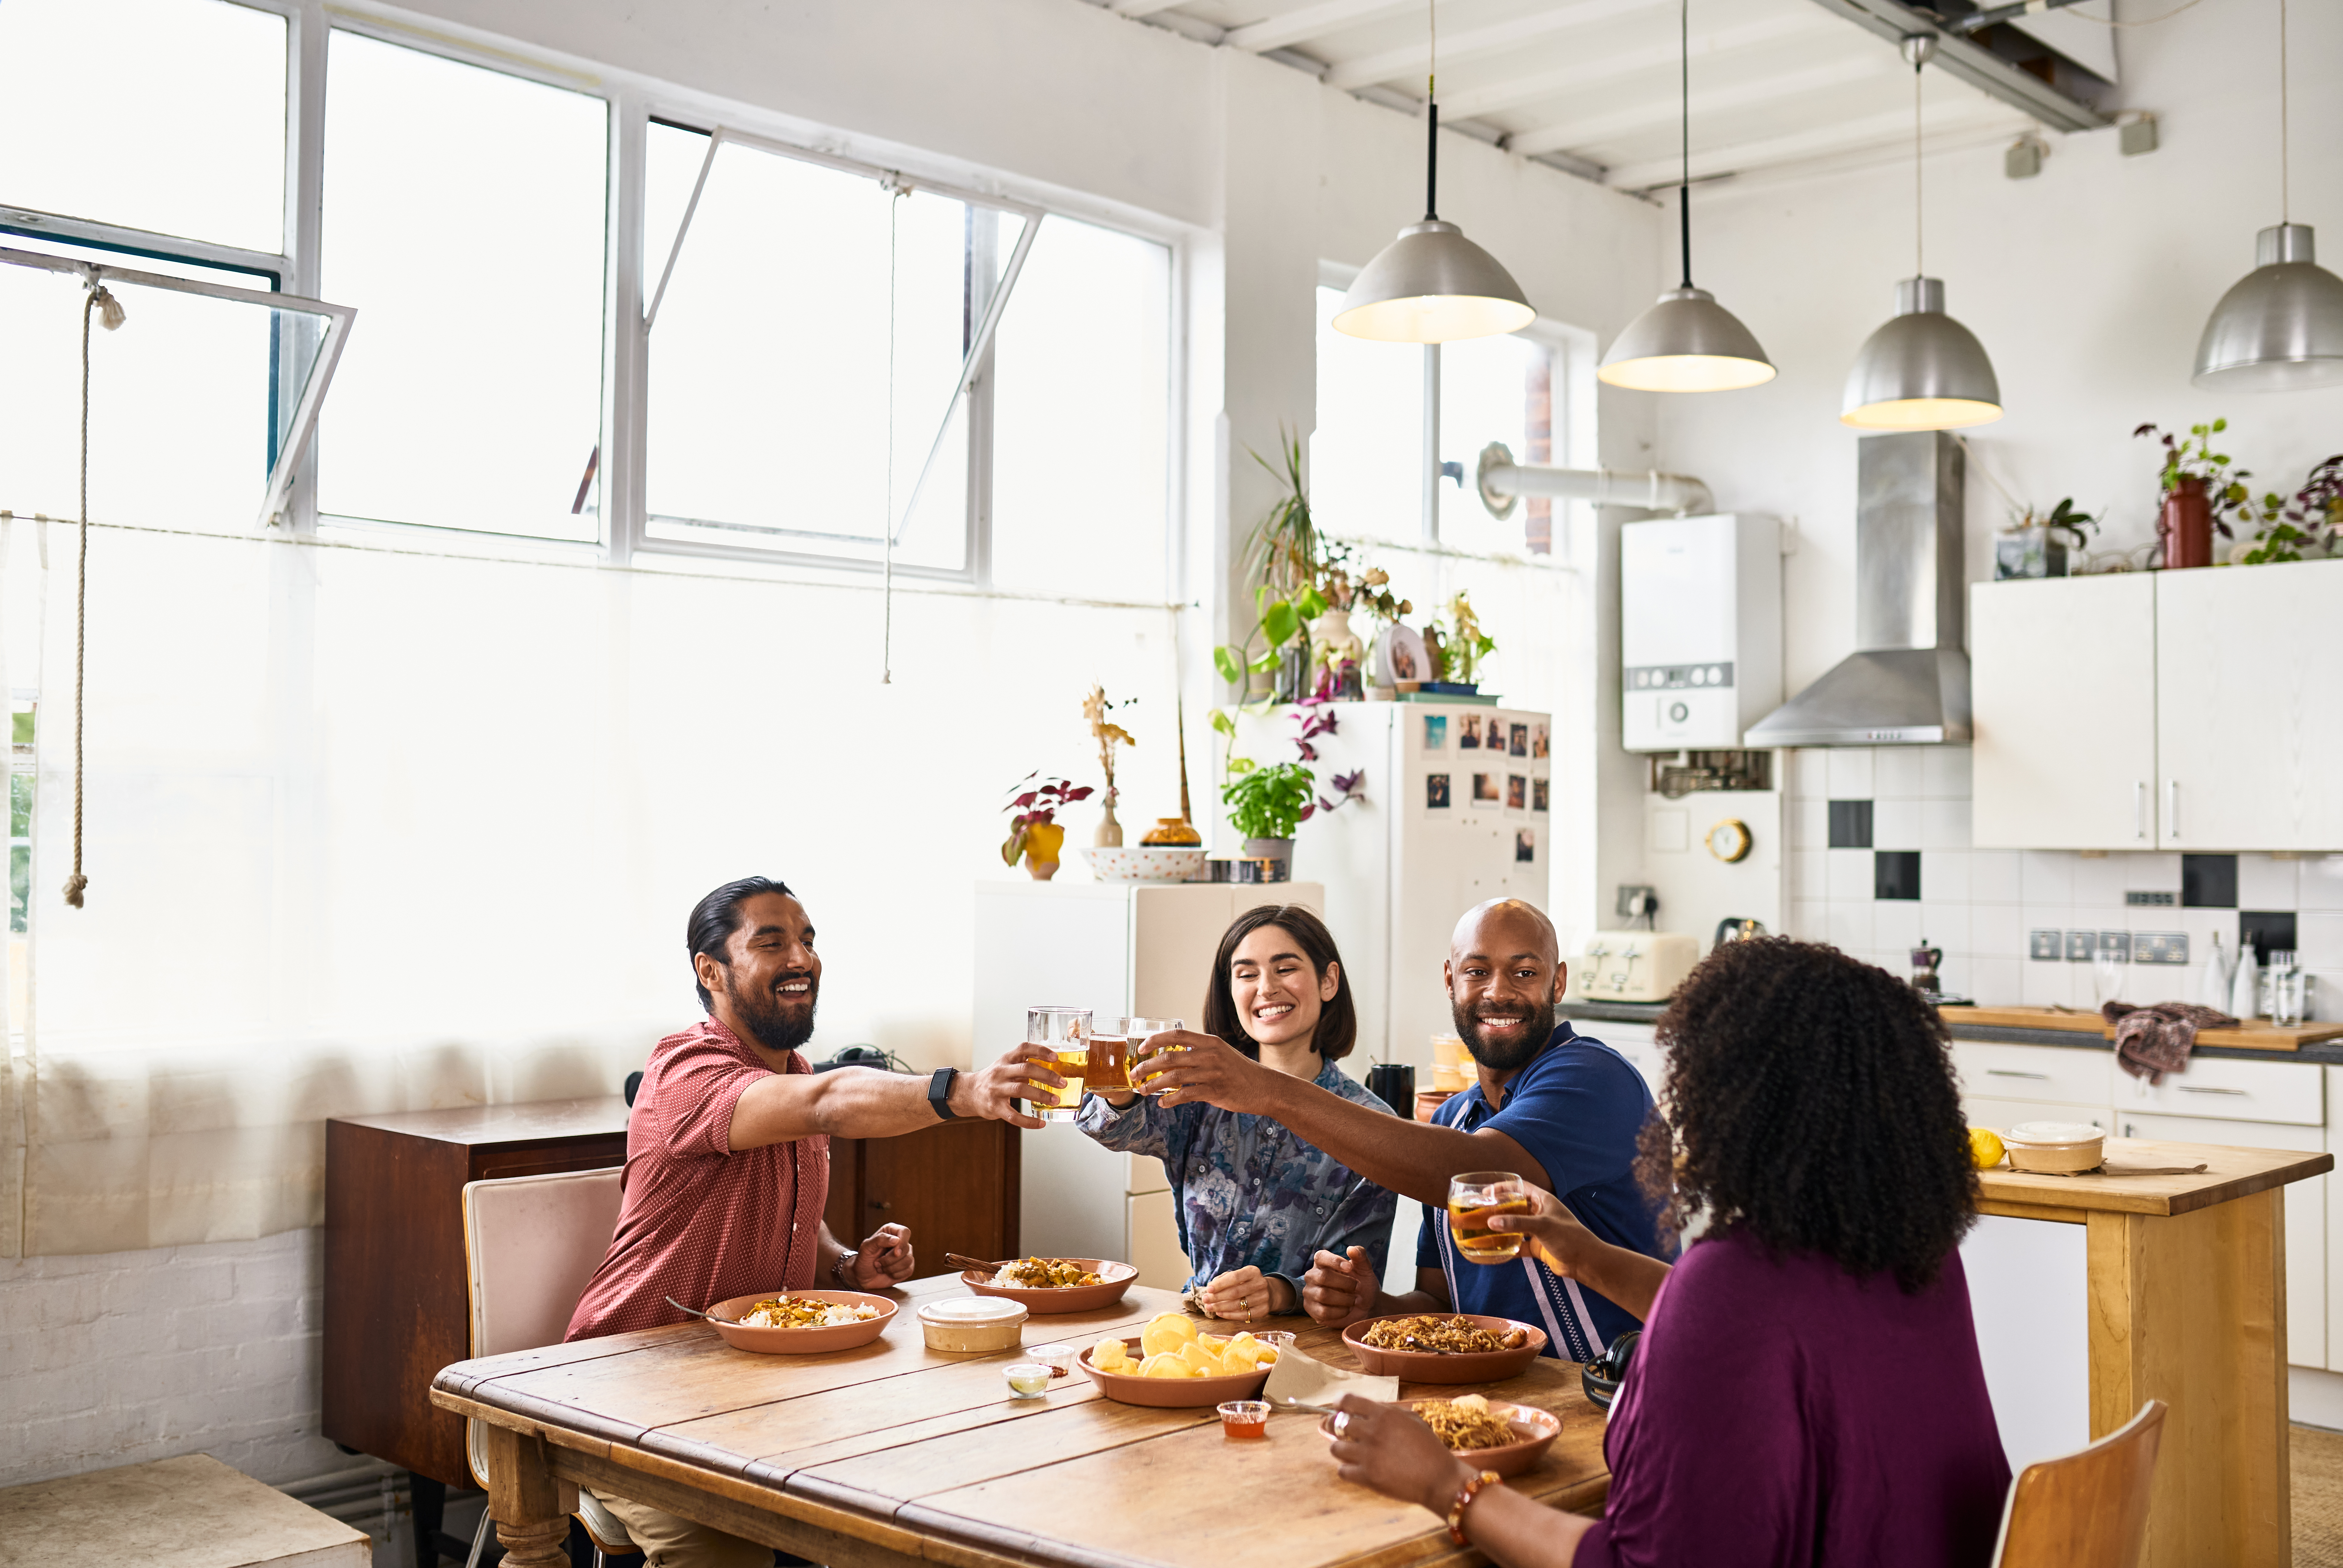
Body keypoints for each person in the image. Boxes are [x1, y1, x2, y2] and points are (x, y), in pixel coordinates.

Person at [1326, 938, 2011, 1568]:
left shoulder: (1732, 1281)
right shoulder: (1919, 1260)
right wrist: (1586, 1255)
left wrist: (1447, 1484)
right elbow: (1753, 1326)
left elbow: (1631, 1562)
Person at [566, 875, 1059, 1568]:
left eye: (806, 940)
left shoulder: (790, 1070)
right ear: (710, 971)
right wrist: (968, 1091)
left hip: (759, 1385)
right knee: (723, 1554)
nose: (801, 959)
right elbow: (828, 1101)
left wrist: (846, 1265)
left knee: (918, 1506)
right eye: (771, 943)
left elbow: (799, 1216)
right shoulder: (687, 1069)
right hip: (634, 1382)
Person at [1142, 898, 1662, 1360]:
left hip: (1622, 1380)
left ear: (1559, 981)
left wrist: (1270, 1091)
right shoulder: (1452, 1118)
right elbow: (1437, 1302)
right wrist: (1373, 1303)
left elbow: (1477, 1173)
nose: (1498, 991)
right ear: (1450, 981)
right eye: (1477, 971)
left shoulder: (1594, 1075)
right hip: (1508, 1390)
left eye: (1524, 973)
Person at [1075, 905, 1396, 1321]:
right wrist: (1118, 1091)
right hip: (1198, 1335)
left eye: (1285, 968)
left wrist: (1278, 1292)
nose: (1266, 988)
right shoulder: (1199, 1090)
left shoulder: (1372, 1122)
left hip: (1308, 1353)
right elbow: (1122, 1130)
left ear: (1328, 980)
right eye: (1247, 974)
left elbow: (1351, 1284)